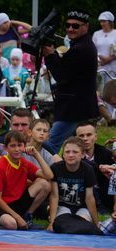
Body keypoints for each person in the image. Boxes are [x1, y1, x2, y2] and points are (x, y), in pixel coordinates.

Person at [43, 10, 99, 153]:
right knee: (77, 149)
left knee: (50, 146)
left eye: (75, 26)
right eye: (68, 25)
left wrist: (49, 56)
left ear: (85, 27)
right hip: (76, 107)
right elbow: (66, 70)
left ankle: (44, 173)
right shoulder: (81, 45)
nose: (70, 29)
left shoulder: (80, 48)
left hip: (73, 108)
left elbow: (61, 75)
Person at [0, 131, 54, 230]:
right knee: (11, 224)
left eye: (19, 145)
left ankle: (27, 216)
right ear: (5, 148)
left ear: (24, 146)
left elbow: (49, 176)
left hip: (16, 202)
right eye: (12, 146)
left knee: (45, 184)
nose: (17, 149)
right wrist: (17, 217)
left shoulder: (24, 163)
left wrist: (36, 155)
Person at [48, 137, 99, 232]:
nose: (70, 155)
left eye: (75, 152)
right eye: (67, 152)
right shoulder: (56, 168)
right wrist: (52, 222)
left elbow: (89, 198)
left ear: (83, 154)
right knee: (63, 221)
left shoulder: (88, 169)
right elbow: (54, 196)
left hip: (82, 207)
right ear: (63, 154)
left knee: (82, 221)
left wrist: (97, 223)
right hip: (63, 206)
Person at [75, 121, 116, 212]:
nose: (85, 139)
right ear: (76, 139)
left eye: (89, 135)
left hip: (105, 192)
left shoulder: (105, 153)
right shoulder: (71, 153)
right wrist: (100, 168)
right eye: (81, 136)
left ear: (96, 137)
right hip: (82, 192)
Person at [92, 11, 116, 93]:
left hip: (113, 67)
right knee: (101, 91)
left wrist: (108, 59)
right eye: (101, 21)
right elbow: (92, 49)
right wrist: (99, 58)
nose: (102, 23)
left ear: (110, 22)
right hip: (100, 66)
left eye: (104, 21)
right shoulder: (96, 34)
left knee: (112, 90)